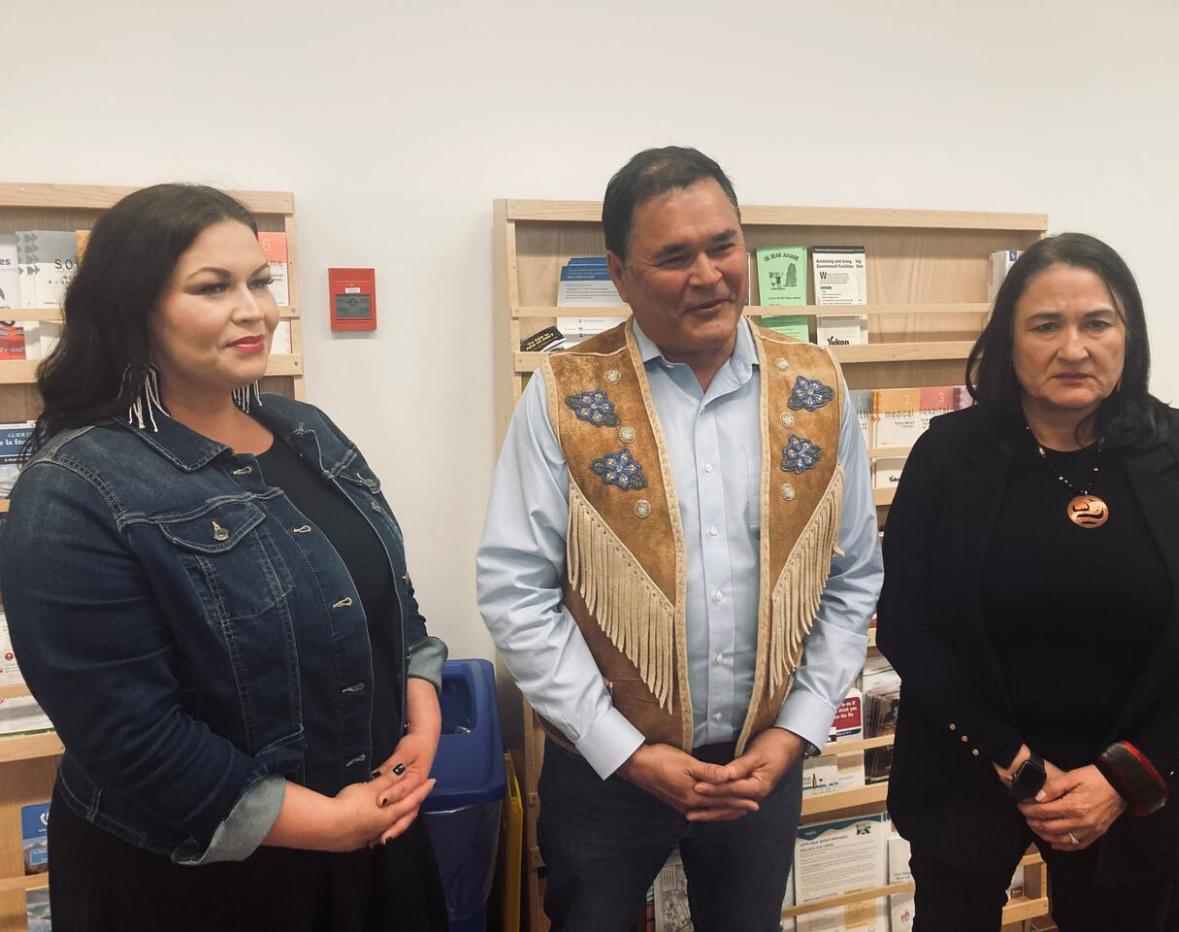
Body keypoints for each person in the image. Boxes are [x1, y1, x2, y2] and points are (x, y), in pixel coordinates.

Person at [0, 184, 449, 932]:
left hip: (374, 832)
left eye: (260, 281)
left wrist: (421, 712)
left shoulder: (309, 432)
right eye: (214, 288)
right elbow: (129, 737)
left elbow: (387, 603)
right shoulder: (77, 487)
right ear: (135, 308)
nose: (255, 310)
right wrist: (327, 824)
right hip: (199, 880)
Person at [476, 146, 883, 931]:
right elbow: (515, 591)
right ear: (620, 275)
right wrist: (624, 750)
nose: (708, 274)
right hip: (606, 772)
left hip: (758, 766)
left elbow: (852, 575)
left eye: (723, 245)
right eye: (673, 256)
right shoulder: (565, 393)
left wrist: (795, 732)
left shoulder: (816, 387)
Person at [876, 232, 1179, 931]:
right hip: (970, 767)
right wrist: (1015, 764)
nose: (1073, 349)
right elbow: (907, 625)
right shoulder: (950, 456)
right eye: (1046, 325)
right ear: (1008, 342)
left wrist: (1121, 777)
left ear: (1128, 335)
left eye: (1096, 323)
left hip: (1133, 784)